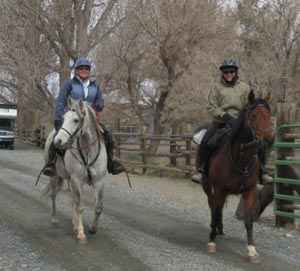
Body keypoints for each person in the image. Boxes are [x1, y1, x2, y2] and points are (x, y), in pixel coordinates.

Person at [193, 57, 273, 184]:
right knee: (206, 140)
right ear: (222, 73)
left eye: (231, 71)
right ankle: (201, 170)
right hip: (220, 122)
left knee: (259, 142)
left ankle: (263, 173)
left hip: (240, 122)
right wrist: (224, 115)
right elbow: (210, 106)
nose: (229, 74)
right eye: (226, 72)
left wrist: (244, 118)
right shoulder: (216, 87)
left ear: (236, 72)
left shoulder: (244, 87)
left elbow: (250, 105)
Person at [43, 57, 125, 177]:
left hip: (90, 120)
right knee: (56, 137)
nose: (84, 70)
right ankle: (50, 164)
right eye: (81, 68)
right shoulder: (70, 84)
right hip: (73, 118)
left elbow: (101, 101)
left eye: (86, 69)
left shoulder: (95, 86)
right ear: (77, 70)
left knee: (108, 136)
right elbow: (61, 101)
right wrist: (58, 118)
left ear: (89, 71)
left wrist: (99, 105)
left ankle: (111, 163)